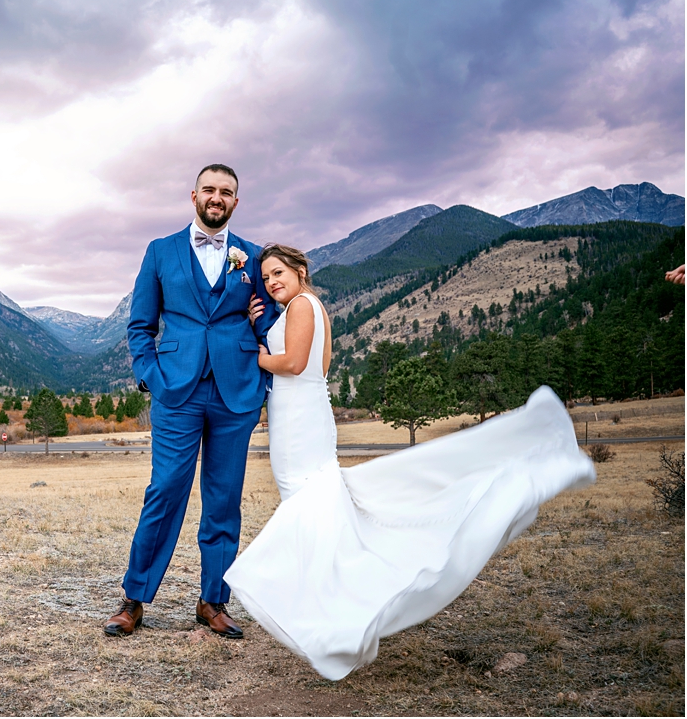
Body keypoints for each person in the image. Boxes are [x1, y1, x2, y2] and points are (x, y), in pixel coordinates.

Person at [224, 245, 597, 680]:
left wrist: (255, 354)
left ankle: (338, 611)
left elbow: (293, 362)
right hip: (302, 414)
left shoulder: (303, 304)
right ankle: (337, 607)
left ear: (300, 271)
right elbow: (319, 366)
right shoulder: (311, 308)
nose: (271, 283)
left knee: (310, 509)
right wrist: (261, 325)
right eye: (266, 277)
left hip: (300, 421)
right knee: (317, 510)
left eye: (278, 273)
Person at [104, 164, 275, 639]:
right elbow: (140, 325)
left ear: (236, 202)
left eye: (227, 192)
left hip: (236, 391)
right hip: (176, 391)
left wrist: (263, 321)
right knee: (165, 491)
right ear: (194, 195)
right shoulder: (160, 252)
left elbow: (268, 322)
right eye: (210, 190)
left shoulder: (254, 256)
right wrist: (151, 378)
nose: (217, 197)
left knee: (224, 499)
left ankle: (213, 601)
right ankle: (134, 599)